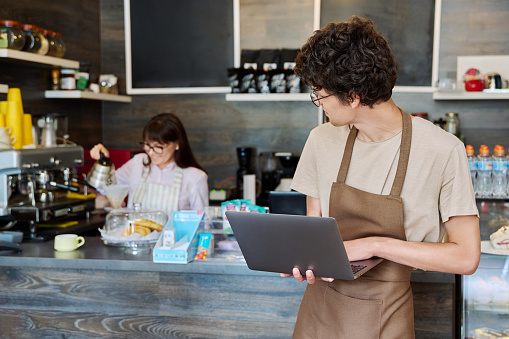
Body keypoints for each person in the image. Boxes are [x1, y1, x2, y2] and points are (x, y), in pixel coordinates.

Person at [283, 16, 480, 338]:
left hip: (385, 313)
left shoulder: (442, 150)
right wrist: (304, 260)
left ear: (354, 95)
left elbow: (466, 257)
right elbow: (315, 230)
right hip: (319, 311)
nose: (319, 103)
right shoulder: (321, 140)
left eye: (320, 94)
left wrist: (375, 244)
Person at [90, 113, 209, 216]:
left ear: (177, 144)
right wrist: (103, 162)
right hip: (135, 239)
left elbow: (202, 224)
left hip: (174, 242)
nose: (151, 152)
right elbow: (107, 188)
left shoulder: (195, 177)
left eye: (158, 147)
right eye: (147, 145)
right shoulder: (138, 163)